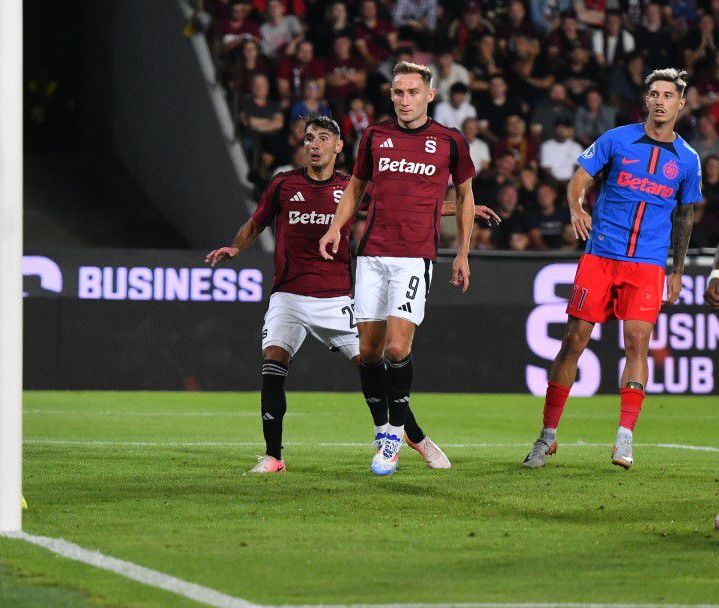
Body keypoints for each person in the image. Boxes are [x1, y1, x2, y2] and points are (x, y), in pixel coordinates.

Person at [205, 115, 496, 474]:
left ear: (339, 146)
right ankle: (273, 456)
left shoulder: (350, 188)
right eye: (309, 138)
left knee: (374, 365)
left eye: (323, 138)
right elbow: (256, 223)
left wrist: (465, 208)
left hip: (337, 298)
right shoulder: (283, 184)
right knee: (272, 361)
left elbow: (398, 205)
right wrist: (236, 249)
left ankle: (413, 436)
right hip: (289, 297)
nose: (315, 144)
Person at [524, 69, 702, 471]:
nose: (660, 101)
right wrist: (576, 207)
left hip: (649, 264)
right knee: (574, 341)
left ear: (680, 104)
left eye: (668, 95)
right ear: (646, 100)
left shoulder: (688, 159)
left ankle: (624, 438)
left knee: (638, 343)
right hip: (601, 255)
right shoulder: (616, 140)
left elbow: (685, 216)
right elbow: (578, 179)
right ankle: (548, 436)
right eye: (654, 94)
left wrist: (677, 270)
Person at [319, 61, 478, 475]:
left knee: (396, 348)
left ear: (430, 95)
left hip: (414, 257)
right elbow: (355, 188)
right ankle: (397, 434)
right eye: (398, 92)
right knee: (369, 353)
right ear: (391, 95)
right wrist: (336, 228)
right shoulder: (375, 136)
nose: (404, 100)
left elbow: (465, 197)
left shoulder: (449, 141)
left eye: (412, 92)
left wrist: (462, 252)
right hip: (371, 255)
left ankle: (392, 437)